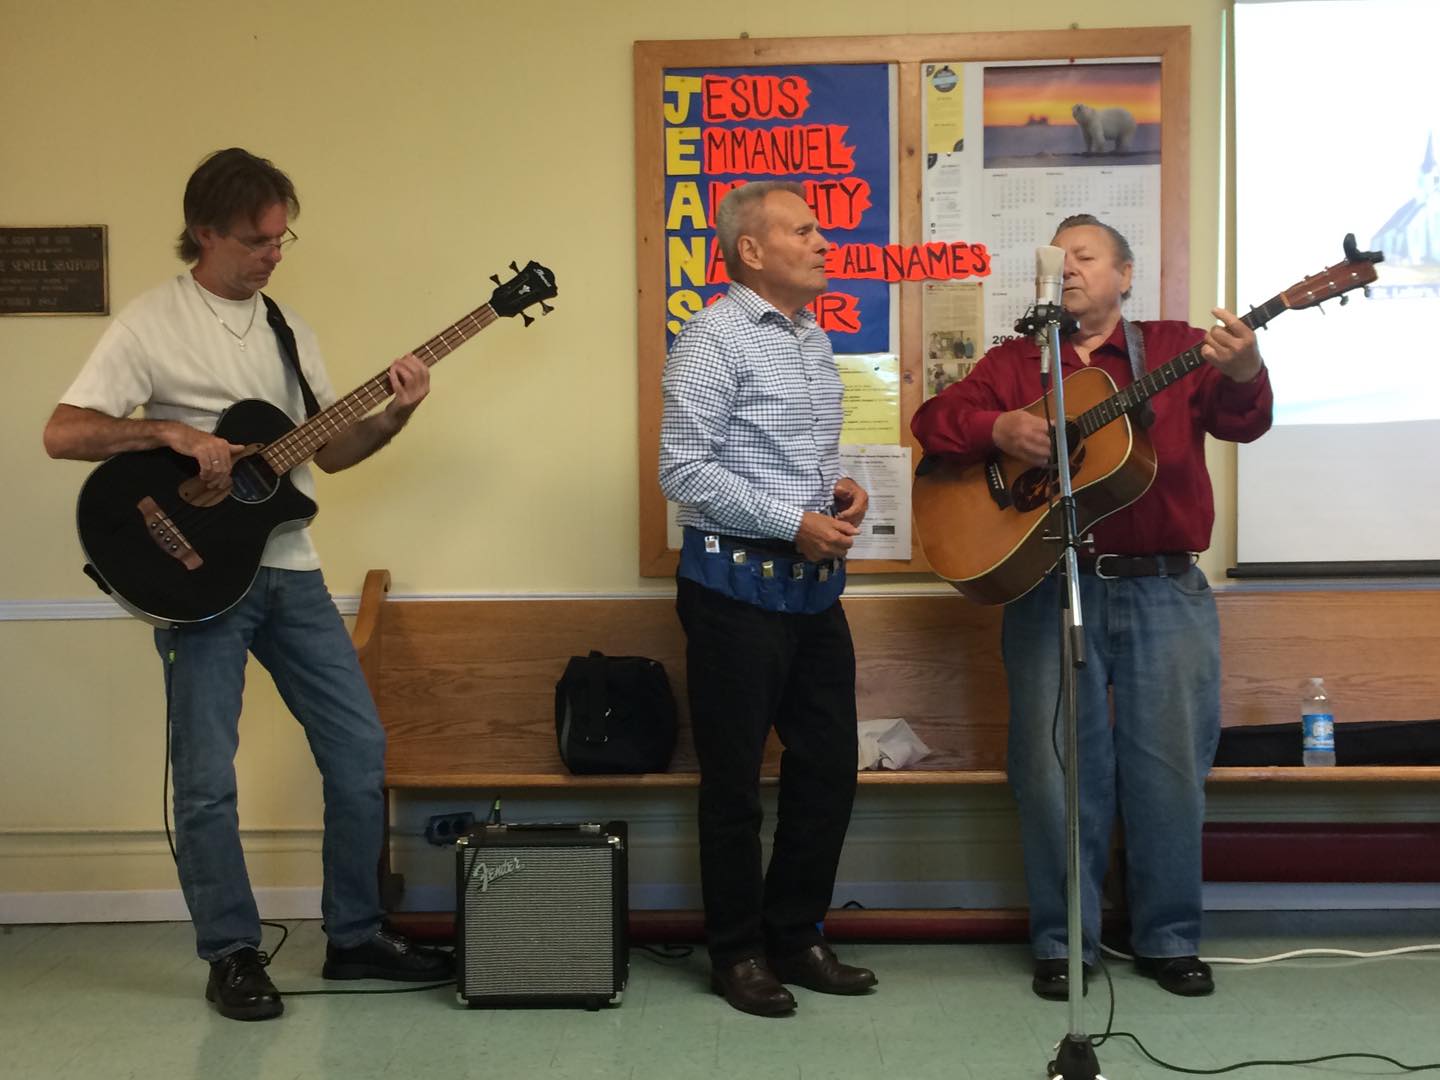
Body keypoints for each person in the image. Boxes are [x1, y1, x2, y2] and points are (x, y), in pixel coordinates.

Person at [42, 148, 452, 1021]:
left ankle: (354, 936)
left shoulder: (287, 329)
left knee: (359, 751)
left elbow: (328, 452)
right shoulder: (150, 322)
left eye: (280, 238)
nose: (274, 254)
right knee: (205, 779)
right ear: (205, 233)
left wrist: (397, 413)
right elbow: (63, 432)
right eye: (257, 240)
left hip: (290, 570)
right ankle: (231, 953)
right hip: (193, 580)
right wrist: (170, 434)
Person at [911, 214, 1272, 1000]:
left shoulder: (1175, 348)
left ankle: (1167, 939)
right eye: (1059, 258)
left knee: (1169, 768)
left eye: (1086, 255)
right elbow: (932, 424)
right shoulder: (1014, 364)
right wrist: (998, 426)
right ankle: (1063, 941)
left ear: (1125, 275)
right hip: (1048, 585)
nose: (1070, 267)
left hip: (1164, 586)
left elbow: (1243, 421)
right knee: (1052, 771)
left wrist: (1247, 369)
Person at [659, 180, 878, 1017]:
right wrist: (793, 521)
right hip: (732, 593)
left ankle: (796, 935)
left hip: (812, 593)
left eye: (821, 231)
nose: (824, 243)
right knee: (735, 785)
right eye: (805, 230)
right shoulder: (711, 337)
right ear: (750, 250)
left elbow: (785, 459)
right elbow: (682, 470)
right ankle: (737, 952)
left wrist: (837, 491)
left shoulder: (813, 338)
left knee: (828, 771)